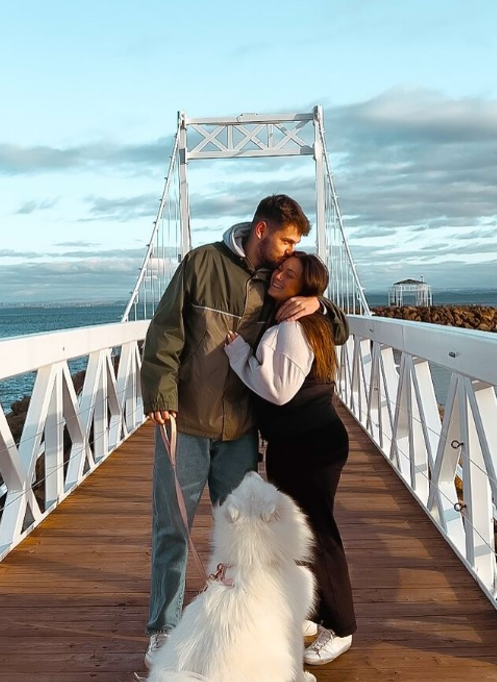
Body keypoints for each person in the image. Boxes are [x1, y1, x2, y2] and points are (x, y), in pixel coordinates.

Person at [139, 194, 347, 667]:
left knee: (251, 538)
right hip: (186, 423)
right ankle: (163, 628)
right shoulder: (202, 263)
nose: (290, 249)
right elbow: (165, 331)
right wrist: (159, 392)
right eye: (287, 239)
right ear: (261, 231)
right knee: (173, 530)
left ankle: (249, 622)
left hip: (241, 431)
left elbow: (336, 332)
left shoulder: (281, 286)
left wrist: (322, 304)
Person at [223, 251, 356, 666]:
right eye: (279, 268)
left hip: (310, 447)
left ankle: (342, 627)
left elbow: (277, 390)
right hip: (300, 444)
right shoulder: (294, 320)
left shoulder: (293, 327)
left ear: (306, 289)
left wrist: (239, 355)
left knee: (319, 536)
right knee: (300, 534)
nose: (278, 274)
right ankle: (313, 615)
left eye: (290, 274)